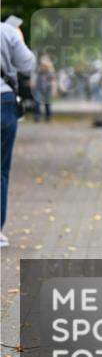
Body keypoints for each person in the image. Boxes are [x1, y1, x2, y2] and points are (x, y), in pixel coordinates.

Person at [1, 21, 36, 248]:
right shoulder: (7, 31)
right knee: (1, 169)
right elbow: (28, 64)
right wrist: (20, 39)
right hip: (3, 101)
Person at [32, 54, 54, 122]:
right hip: (39, 88)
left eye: (45, 66)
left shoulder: (50, 73)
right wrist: (33, 84)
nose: (43, 67)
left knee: (47, 103)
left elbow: (53, 81)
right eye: (42, 66)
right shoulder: (38, 72)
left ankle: (48, 116)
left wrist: (53, 89)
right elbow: (34, 79)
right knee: (37, 101)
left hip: (47, 89)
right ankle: (37, 115)